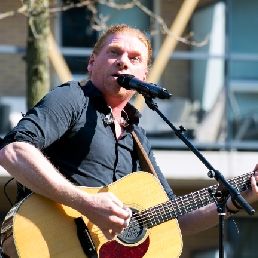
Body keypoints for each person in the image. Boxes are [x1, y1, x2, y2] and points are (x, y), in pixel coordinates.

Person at [0, 24, 258, 257]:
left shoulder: (136, 136)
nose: (123, 62)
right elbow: (13, 151)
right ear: (92, 63)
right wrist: (86, 203)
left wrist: (233, 201)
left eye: (134, 59)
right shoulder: (72, 98)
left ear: (143, 76)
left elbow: (174, 218)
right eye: (114, 52)